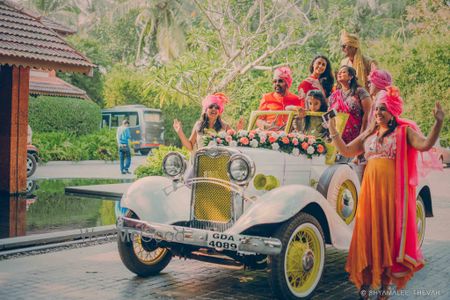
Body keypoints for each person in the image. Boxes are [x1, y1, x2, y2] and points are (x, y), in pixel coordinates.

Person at [326, 86, 444, 299]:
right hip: (370, 194)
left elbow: (426, 145)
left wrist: (438, 123)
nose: (378, 113)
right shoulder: (369, 133)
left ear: (393, 112)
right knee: (368, 235)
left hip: (391, 195)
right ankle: (365, 284)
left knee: (387, 235)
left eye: (383, 109)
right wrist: (333, 129)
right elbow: (346, 150)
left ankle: (384, 286)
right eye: (377, 109)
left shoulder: (404, 132)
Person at [329, 66, 372, 144]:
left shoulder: (360, 92)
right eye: (339, 72)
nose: (339, 74)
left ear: (351, 76)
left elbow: (368, 114)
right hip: (338, 139)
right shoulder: (334, 95)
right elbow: (330, 117)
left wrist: (362, 137)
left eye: (343, 72)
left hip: (357, 138)